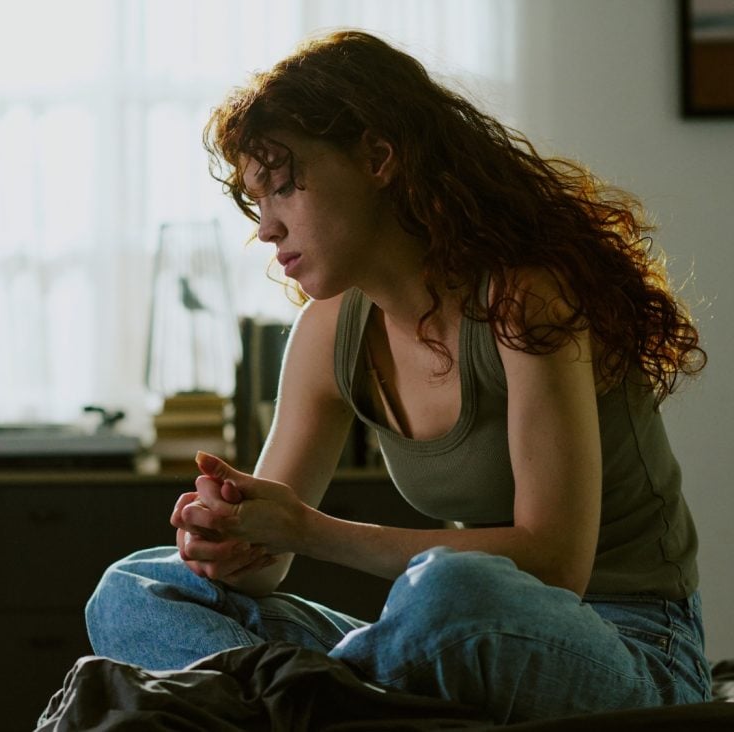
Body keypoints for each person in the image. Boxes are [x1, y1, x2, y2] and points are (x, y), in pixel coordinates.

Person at [85, 29, 711, 723]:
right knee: (136, 588)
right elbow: (268, 564)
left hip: (631, 644)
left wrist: (310, 530)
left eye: (283, 187)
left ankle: (317, 702)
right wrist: (231, 539)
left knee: (450, 591)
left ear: (378, 159)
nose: (266, 228)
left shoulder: (526, 297)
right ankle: (340, 703)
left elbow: (555, 564)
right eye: (258, 202)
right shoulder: (329, 331)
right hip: (439, 645)